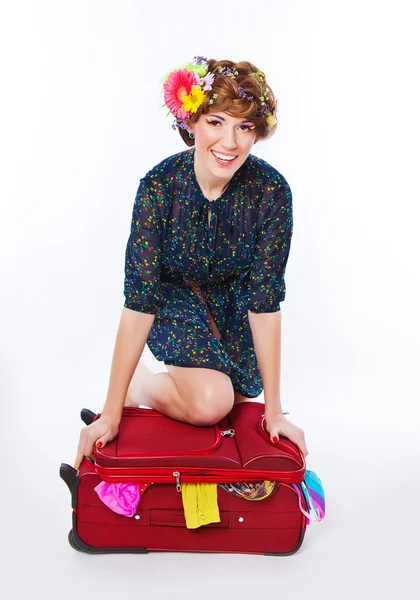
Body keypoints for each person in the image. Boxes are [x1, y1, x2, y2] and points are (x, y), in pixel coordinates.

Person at [74, 56, 308, 470]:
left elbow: (264, 301)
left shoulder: (272, 192)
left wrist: (274, 410)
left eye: (245, 127)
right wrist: (110, 410)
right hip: (173, 298)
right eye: (216, 122)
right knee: (210, 403)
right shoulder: (159, 187)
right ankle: (142, 385)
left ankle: (178, 385)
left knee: (237, 399)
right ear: (192, 123)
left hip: (233, 305)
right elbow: (140, 300)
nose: (230, 143)